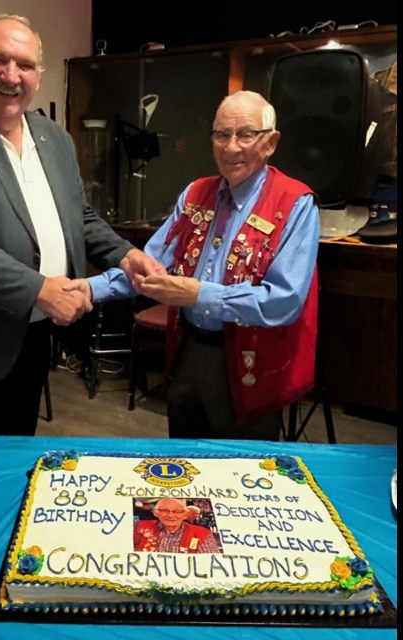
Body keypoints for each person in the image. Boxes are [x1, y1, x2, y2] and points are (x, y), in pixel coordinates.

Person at [0, 14, 164, 435]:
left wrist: (125, 253)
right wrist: (40, 289)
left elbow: (78, 214)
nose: (11, 75)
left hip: (33, 333)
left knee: (18, 445)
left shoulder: (53, 137)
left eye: (24, 64)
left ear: (38, 74)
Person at [75, 90, 320, 440]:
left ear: (271, 142)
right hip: (188, 353)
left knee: (241, 475)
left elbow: (284, 301)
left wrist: (197, 295)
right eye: (222, 134)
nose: (231, 147)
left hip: (249, 363)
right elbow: (151, 265)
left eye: (246, 134)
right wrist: (89, 288)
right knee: (184, 464)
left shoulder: (294, 203)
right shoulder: (195, 194)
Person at [134, 498, 222, 553]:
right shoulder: (138, 526)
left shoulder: (202, 534)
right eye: (164, 510)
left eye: (177, 511)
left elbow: (210, 564)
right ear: (156, 513)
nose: (170, 515)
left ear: (185, 514)